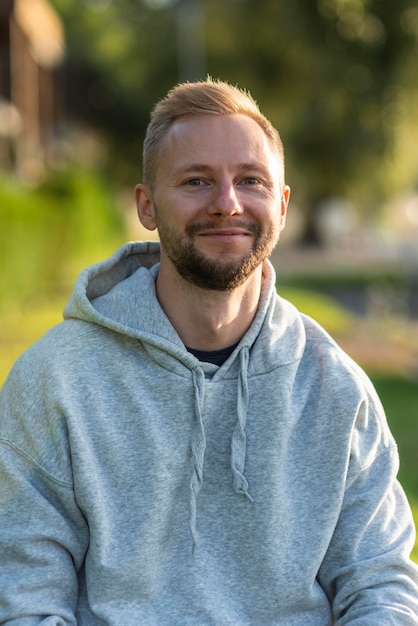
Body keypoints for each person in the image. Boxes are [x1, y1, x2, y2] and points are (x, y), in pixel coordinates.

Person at [0, 78, 417, 625]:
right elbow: (24, 592)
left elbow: (379, 584)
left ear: (283, 205)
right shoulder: (56, 380)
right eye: (197, 181)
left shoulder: (336, 387)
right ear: (147, 206)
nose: (228, 204)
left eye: (252, 181)